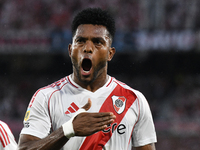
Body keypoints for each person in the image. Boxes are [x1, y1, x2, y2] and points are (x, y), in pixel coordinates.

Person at [18, 8, 157, 150]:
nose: (88, 48)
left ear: (110, 53)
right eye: (81, 41)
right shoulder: (46, 97)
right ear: (70, 50)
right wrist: (67, 130)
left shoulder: (134, 100)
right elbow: (25, 148)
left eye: (97, 42)